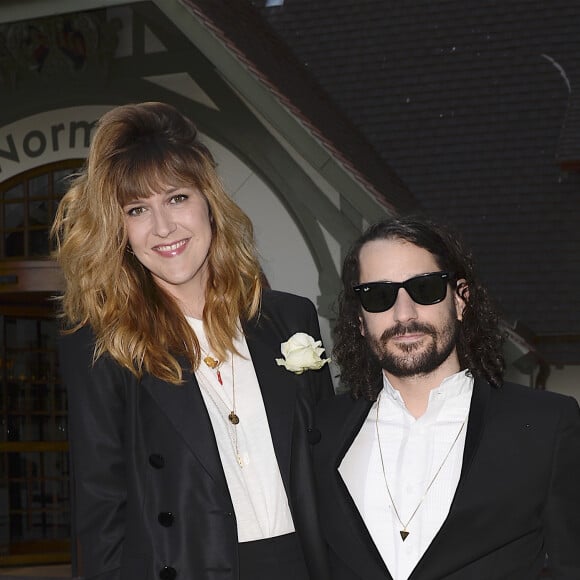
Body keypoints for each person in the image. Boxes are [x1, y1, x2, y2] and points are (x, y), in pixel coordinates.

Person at [52, 101, 334, 580]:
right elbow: (100, 507)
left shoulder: (289, 317)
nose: (163, 228)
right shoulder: (103, 345)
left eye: (177, 198)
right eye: (137, 210)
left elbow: (329, 467)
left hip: (306, 565)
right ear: (119, 230)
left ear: (208, 202)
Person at [313, 215, 580, 580]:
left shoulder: (546, 425)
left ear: (460, 299)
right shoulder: (321, 432)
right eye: (378, 296)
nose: (403, 314)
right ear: (360, 320)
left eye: (424, 289)